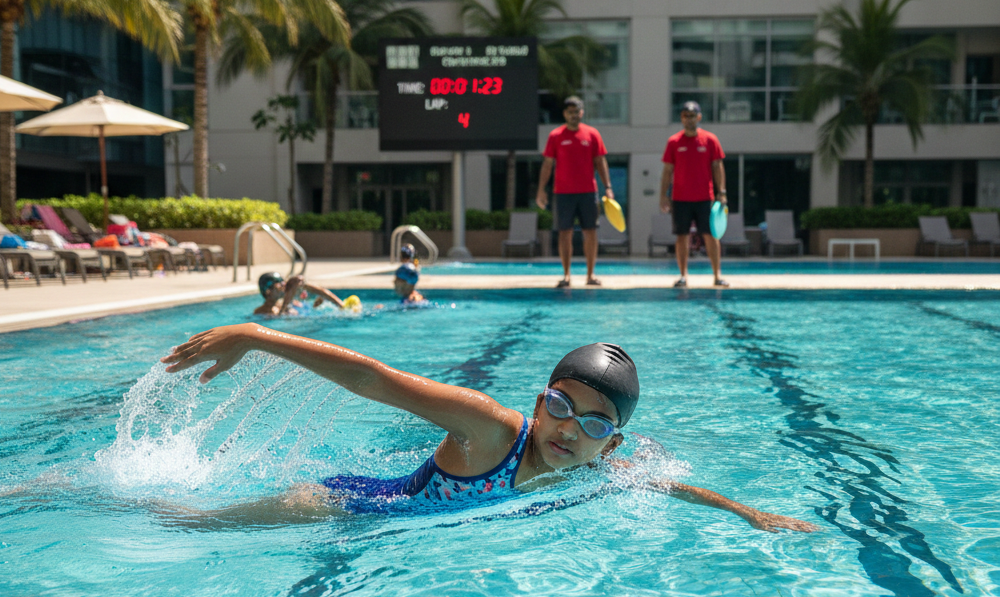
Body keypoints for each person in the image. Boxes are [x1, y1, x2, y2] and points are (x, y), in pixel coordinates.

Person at [161, 329, 816, 533]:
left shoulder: (590, 466)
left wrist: (750, 514)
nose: (568, 430)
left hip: (393, 531)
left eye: (593, 424)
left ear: (609, 444)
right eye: (560, 406)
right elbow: (376, 381)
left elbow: (667, 487)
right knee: (184, 522)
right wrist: (254, 338)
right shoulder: (492, 431)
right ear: (539, 401)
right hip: (340, 505)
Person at [536, 96, 616, 289]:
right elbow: (548, 164)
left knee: (591, 232)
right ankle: (566, 276)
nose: (573, 115)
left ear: (582, 113)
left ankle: (590, 275)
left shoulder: (592, 134)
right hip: (563, 193)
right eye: (570, 112)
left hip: (588, 192)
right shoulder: (556, 136)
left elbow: (600, 162)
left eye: (576, 111)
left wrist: (608, 187)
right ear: (565, 114)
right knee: (565, 234)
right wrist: (541, 190)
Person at [660, 101, 730, 288]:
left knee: (710, 236)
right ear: (681, 118)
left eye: (692, 116)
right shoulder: (674, 142)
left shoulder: (710, 140)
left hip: (704, 198)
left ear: (699, 117)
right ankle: (683, 276)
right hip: (680, 198)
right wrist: (663, 196)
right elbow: (667, 170)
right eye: (685, 116)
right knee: (682, 236)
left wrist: (721, 192)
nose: (688, 119)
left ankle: (717, 276)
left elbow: (717, 166)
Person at [254, 272, 347, 316]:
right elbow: (281, 316)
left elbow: (320, 292)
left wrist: (340, 305)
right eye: (279, 283)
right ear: (268, 291)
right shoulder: (261, 311)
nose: (284, 285)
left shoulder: (294, 302)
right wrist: (288, 297)